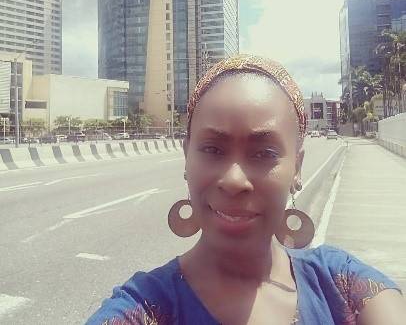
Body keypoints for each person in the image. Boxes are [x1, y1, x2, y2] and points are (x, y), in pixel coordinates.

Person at [86, 54, 404, 324]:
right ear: (187, 157)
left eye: (264, 153)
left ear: (297, 167)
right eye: (212, 149)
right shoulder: (146, 306)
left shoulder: (339, 284)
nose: (234, 180)